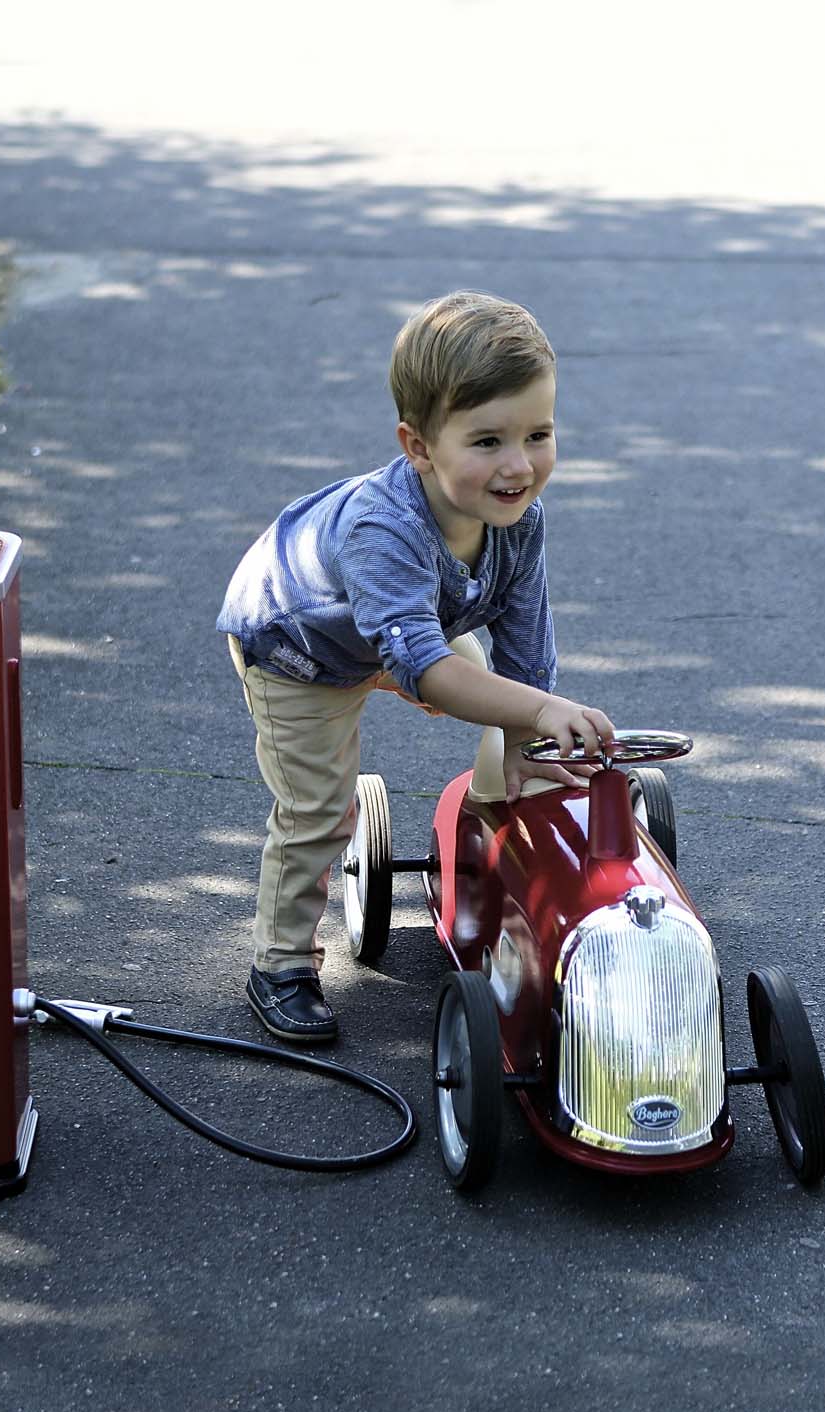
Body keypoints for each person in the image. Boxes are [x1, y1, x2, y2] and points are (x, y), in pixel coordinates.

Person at [217, 290, 615, 1045]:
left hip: (404, 626)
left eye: (538, 434)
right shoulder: (384, 530)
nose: (519, 464)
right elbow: (428, 670)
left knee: (499, 695)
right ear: (419, 446)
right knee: (317, 809)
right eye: (488, 440)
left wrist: (527, 740)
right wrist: (533, 711)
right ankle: (280, 963)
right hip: (298, 645)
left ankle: (495, 826)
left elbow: (525, 647)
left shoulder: (519, 519)